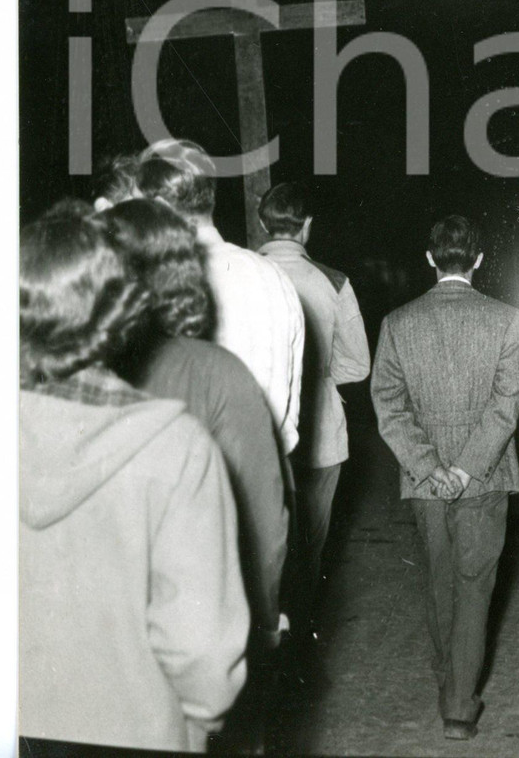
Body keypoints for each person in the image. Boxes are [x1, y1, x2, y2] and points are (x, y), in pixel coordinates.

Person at [19, 210, 249, 752]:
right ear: (124, 312)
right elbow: (201, 647)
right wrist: (198, 723)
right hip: (134, 728)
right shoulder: (175, 448)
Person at [103, 198, 289, 655]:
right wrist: (264, 621)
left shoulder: (55, 368)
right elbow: (263, 519)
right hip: (182, 628)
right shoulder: (214, 372)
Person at [371, 215, 519, 742]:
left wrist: (431, 468)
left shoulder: (397, 322)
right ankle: (460, 705)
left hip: (424, 482)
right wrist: (465, 468)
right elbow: (507, 407)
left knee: (439, 585)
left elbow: (388, 407)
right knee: (473, 587)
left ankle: (449, 683)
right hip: (485, 476)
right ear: (479, 259)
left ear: (430, 259)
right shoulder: (506, 320)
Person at [136, 140, 305, 458]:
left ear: (157, 204)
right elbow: (287, 406)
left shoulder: (154, 283)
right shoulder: (273, 277)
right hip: (267, 476)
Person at [256, 182, 370, 626]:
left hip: (256, 428)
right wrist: (317, 378)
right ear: (306, 227)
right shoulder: (333, 281)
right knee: (309, 548)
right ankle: (301, 633)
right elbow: (358, 364)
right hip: (320, 435)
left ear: (263, 223)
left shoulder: (234, 270)